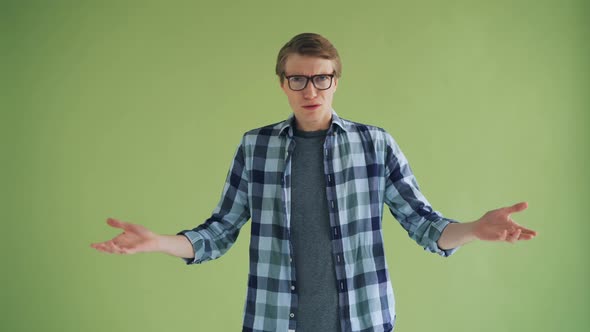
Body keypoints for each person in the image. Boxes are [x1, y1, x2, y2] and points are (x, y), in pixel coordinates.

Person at [91, 32, 537, 332]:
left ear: (335, 81)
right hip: (273, 321)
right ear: (283, 83)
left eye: (321, 78)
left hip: (364, 320)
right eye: (298, 79)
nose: (311, 91)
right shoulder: (255, 147)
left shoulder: (375, 144)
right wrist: (160, 243)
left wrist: (475, 229)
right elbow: (218, 232)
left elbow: (425, 226)